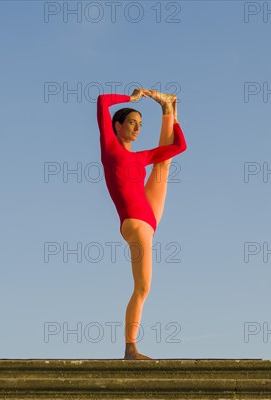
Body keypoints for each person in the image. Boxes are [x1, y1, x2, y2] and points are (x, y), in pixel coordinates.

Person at [96, 88, 187, 359]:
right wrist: (132, 99)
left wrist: (173, 114)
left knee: (163, 164)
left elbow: (179, 147)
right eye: (132, 123)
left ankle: (167, 106)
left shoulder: (140, 157)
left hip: (149, 215)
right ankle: (130, 347)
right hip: (134, 224)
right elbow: (102, 102)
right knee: (143, 287)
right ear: (118, 125)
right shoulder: (110, 148)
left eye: (140, 125)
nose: (136, 128)